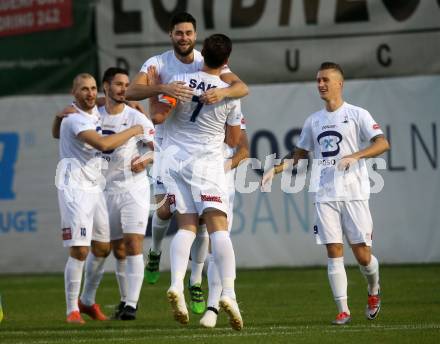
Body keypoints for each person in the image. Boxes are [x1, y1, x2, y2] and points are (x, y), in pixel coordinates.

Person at [126, 11, 248, 315]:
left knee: (193, 224)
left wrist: (222, 90)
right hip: (176, 151)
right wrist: (161, 88)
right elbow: (131, 91)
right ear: (171, 34)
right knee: (172, 212)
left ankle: (190, 281)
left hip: (178, 156)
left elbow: (237, 86)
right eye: (179, 33)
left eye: (189, 33)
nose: (184, 38)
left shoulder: (191, 74)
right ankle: (157, 253)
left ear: (198, 40)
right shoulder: (159, 63)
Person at [261, 62, 390, 325]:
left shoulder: (357, 114)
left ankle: (374, 289)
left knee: (363, 256)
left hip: (354, 193)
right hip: (324, 193)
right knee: (333, 251)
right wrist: (273, 171)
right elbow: (299, 156)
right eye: (318, 80)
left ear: (340, 84)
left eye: (326, 80)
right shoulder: (313, 121)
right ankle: (343, 310)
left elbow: (382, 143)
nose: (320, 84)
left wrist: (356, 156)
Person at [156, 33, 244, 331]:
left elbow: (159, 114)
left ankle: (177, 285)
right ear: (227, 59)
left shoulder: (178, 80)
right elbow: (233, 140)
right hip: (207, 163)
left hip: (176, 160)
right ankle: (229, 293)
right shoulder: (230, 92)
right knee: (218, 227)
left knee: (186, 226)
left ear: (201, 52)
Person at [55, 73, 144, 324]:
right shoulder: (74, 120)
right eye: (84, 89)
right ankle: (72, 310)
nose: (90, 93)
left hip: (96, 188)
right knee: (81, 250)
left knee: (103, 248)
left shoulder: (92, 110)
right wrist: (134, 129)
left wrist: (55, 118)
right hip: (75, 188)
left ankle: (87, 302)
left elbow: (55, 132)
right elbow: (104, 144)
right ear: (74, 92)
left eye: (93, 88)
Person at [98, 67, 155, 320]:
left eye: (126, 84)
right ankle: (123, 301)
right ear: (106, 87)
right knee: (116, 249)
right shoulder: (93, 117)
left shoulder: (137, 118)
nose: (123, 88)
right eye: (118, 84)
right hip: (105, 190)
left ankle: (132, 304)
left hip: (134, 187)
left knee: (133, 244)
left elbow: (161, 148)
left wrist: (146, 159)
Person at [200, 122, 249, 328]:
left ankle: (213, 307)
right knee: (206, 238)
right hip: (193, 177)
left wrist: (223, 168)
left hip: (220, 183)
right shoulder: (192, 101)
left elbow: (244, 150)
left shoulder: (230, 106)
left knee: (216, 240)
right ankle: (227, 297)